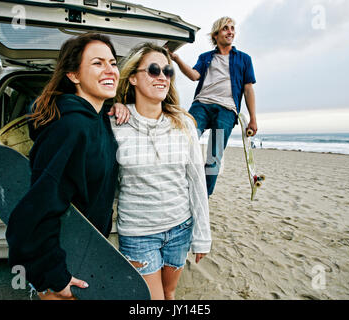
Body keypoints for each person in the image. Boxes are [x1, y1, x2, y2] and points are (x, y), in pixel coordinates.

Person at [6, 33, 129, 300]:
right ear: (73, 75)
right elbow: (34, 211)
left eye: (112, 62)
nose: (110, 70)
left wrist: (116, 105)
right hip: (64, 261)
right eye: (97, 63)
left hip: (86, 249)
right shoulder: (70, 127)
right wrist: (53, 275)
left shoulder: (97, 119)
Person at [111, 43, 211, 300]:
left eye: (168, 71)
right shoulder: (114, 122)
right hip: (138, 234)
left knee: (170, 292)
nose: (162, 77)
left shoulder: (184, 122)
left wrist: (202, 236)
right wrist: (112, 104)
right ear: (132, 77)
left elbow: (197, 182)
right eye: (153, 69)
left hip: (181, 227)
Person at [167, 16, 258, 196]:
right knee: (184, 140)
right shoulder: (206, 57)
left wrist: (253, 119)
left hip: (227, 110)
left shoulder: (244, 59)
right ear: (216, 35)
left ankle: (204, 195)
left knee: (213, 156)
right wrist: (176, 59)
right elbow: (194, 75)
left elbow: (248, 89)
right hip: (202, 105)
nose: (230, 31)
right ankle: (178, 186)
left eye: (232, 28)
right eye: (225, 28)